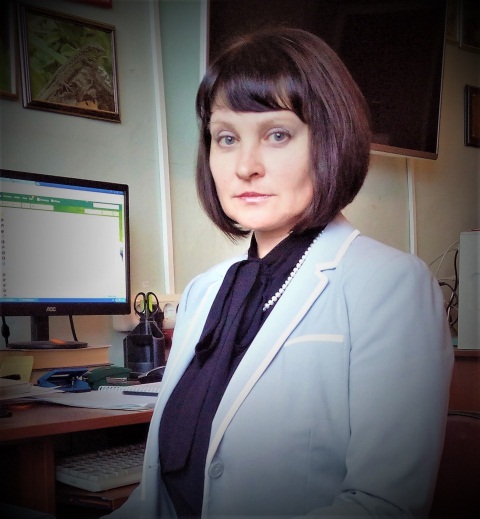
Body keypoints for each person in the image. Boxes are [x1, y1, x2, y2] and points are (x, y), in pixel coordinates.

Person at [106, 27, 453, 518]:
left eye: (277, 135)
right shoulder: (204, 292)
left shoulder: (392, 285)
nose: (245, 166)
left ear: (331, 141)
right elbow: (161, 493)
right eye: (227, 138)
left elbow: (385, 505)